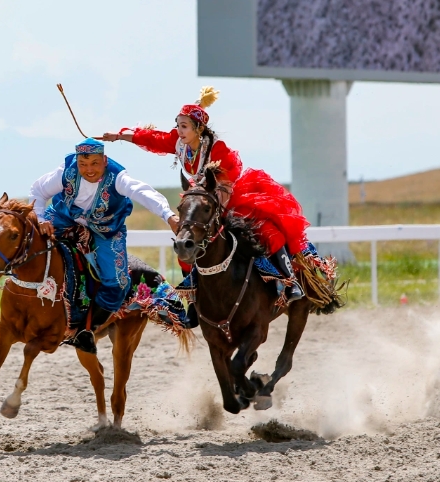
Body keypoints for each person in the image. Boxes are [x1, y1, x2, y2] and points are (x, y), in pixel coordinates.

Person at [102, 87, 310, 321]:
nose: (178, 130)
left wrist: (216, 202)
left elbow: (228, 176)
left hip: (227, 194)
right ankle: (193, 301)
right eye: (178, 125)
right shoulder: (178, 142)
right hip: (202, 196)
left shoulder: (217, 148)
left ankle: (289, 282)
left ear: (198, 129)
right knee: (185, 241)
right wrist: (120, 135)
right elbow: (153, 138)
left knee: (265, 228)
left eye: (184, 126)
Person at [29, 137, 179, 353]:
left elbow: (144, 192)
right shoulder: (65, 172)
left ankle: (87, 331)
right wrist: (41, 219)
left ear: (105, 160)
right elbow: (38, 191)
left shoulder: (118, 178)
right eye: (83, 165)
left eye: (94, 164)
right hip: (64, 217)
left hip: (106, 229)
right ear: (77, 162)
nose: (88, 170)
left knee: (117, 283)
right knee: (31, 243)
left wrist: (169, 216)